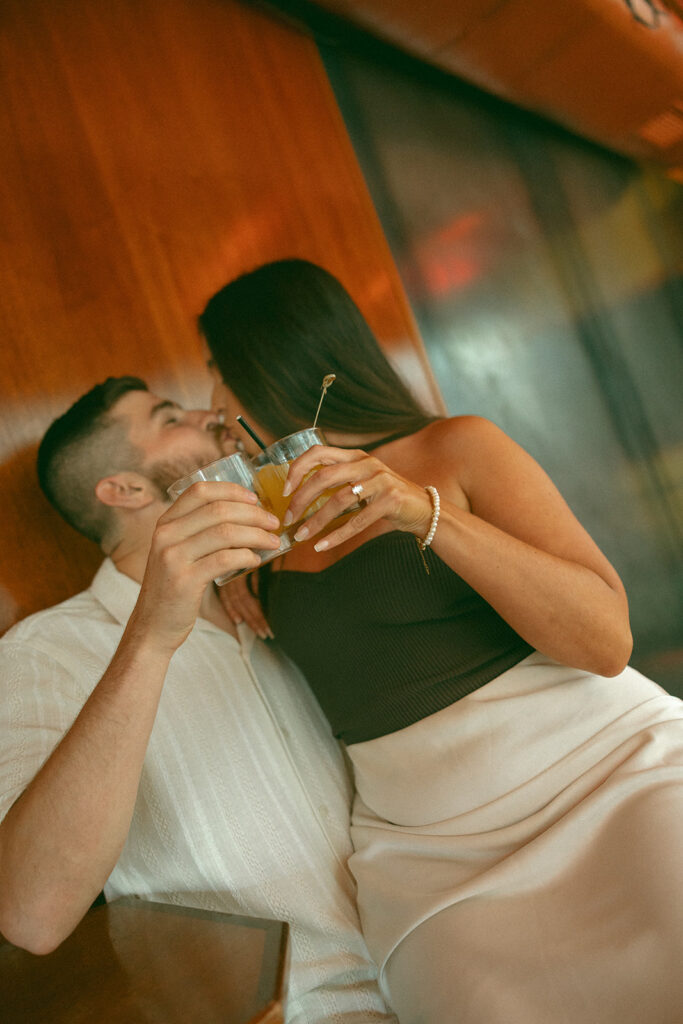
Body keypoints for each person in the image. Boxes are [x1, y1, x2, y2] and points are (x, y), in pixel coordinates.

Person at [201, 258, 683, 1024]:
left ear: (269, 361)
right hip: (433, 851)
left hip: (605, 775)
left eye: (214, 369)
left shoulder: (456, 448)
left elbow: (605, 641)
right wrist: (228, 578)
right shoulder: (269, 519)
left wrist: (425, 513)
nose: (212, 401)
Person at [0, 375, 398, 1024]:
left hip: (439, 968)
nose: (212, 416)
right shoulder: (43, 653)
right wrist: (151, 639)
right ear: (125, 489)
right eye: (169, 418)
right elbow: (31, 914)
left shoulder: (278, 599)